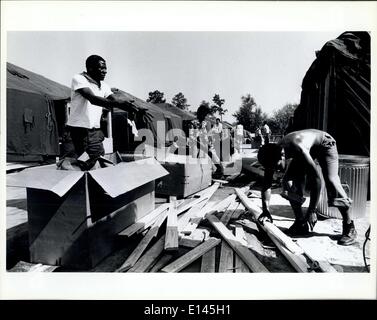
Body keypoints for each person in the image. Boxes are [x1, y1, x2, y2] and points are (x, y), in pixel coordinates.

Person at [257, 129, 356, 246]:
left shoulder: (297, 148)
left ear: (283, 156)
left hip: (324, 144)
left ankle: (349, 226)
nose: (276, 170)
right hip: (307, 149)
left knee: (331, 181)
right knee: (288, 182)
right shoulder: (271, 155)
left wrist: (312, 210)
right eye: (272, 168)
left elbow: (316, 180)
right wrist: (265, 211)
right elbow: (266, 184)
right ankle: (300, 224)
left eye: (277, 166)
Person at [66, 55, 151, 170]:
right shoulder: (79, 79)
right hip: (79, 131)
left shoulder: (104, 86)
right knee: (83, 160)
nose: (105, 71)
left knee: (97, 158)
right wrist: (119, 104)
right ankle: (70, 172)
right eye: (101, 68)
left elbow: (114, 100)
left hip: (95, 132)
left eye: (105, 68)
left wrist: (134, 108)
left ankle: (90, 182)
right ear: (90, 68)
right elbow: (93, 99)